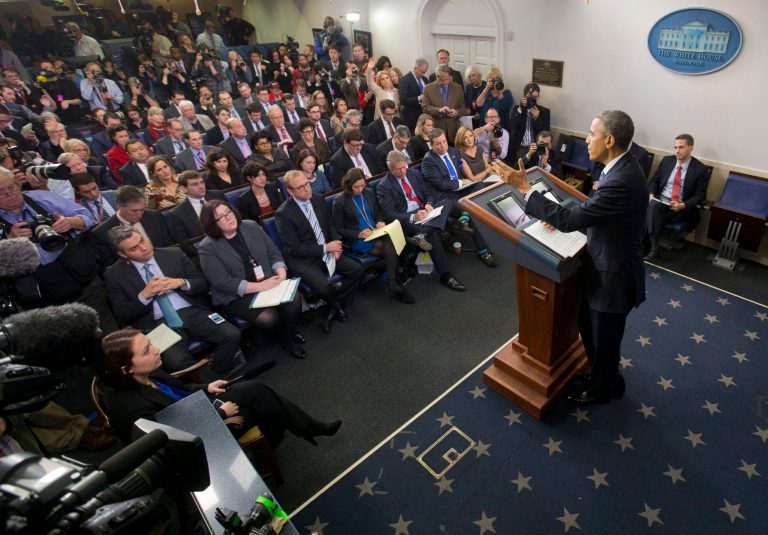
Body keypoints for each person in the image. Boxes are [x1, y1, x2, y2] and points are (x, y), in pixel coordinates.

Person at [492, 109, 648, 405]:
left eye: (592, 134)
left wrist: (524, 188)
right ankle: (604, 377)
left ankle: (603, 390)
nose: (587, 140)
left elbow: (573, 217)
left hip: (614, 276)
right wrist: (575, 215)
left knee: (605, 340)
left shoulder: (620, 179)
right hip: (604, 264)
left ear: (610, 140)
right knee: (590, 327)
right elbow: (595, 208)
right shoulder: (622, 165)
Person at [99, 328, 341, 445]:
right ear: (126, 369)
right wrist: (221, 415)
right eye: (146, 350)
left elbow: (179, 391)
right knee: (260, 402)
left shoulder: (146, 371)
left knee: (256, 388)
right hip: (199, 435)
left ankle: (304, 428)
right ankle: (287, 433)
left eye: (150, 343)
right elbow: (172, 439)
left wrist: (206, 387)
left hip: (200, 407)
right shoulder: (131, 409)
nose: (156, 349)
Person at [104, 227, 245, 375]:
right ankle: (212, 384)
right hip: (158, 325)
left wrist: (181, 283)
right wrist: (144, 296)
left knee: (231, 334)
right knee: (175, 361)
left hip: (192, 311)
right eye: (134, 248)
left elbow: (203, 282)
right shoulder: (114, 275)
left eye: (142, 240)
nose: (144, 248)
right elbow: (122, 314)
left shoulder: (173, 254)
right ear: (122, 254)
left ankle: (215, 376)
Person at [0, 168, 117, 331]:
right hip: (44, 299)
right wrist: (10, 241)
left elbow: (86, 217)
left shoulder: (41, 198)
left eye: (11, 188)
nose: (9, 194)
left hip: (81, 279)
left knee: (106, 330)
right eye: (1, 192)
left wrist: (70, 222)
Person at [198, 200, 307, 359]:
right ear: (211, 223)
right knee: (268, 318)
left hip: (268, 280)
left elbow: (273, 252)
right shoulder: (207, 247)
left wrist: (281, 274)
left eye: (228, 212)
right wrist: (260, 287)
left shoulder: (251, 226)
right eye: (221, 217)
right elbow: (222, 282)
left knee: (295, 299)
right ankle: (285, 339)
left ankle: (287, 332)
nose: (229, 217)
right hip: (237, 294)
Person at [275, 170, 364, 333]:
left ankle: (336, 305)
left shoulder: (318, 199)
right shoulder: (283, 214)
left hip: (327, 250)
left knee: (356, 269)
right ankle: (336, 307)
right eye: (300, 187)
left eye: (307, 184)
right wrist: (325, 248)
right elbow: (294, 248)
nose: (306, 189)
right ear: (290, 191)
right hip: (302, 259)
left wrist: (336, 244)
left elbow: (330, 225)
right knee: (323, 287)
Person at [377, 151, 466, 291]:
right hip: (407, 220)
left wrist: (429, 203)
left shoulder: (413, 173)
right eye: (398, 169)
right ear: (390, 170)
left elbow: (426, 193)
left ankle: (424, 233)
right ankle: (445, 275)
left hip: (424, 212)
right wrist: (414, 216)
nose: (402, 171)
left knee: (448, 202)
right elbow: (390, 215)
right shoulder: (384, 186)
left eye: (404, 167)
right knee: (434, 234)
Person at [332, 169, 415, 303]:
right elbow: (338, 228)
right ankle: (395, 284)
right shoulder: (340, 201)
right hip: (359, 239)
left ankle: (391, 281)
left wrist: (379, 221)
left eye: (362, 185)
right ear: (348, 185)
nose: (360, 189)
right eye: (356, 187)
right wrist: (358, 234)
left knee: (392, 243)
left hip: (376, 231)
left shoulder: (369, 193)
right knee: (392, 247)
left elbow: (377, 213)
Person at [421, 128, 498, 268]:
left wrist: (465, 181)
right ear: (431, 145)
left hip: (460, 191)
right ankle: (484, 250)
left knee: (479, 186)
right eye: (438, 144)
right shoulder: (428, 161)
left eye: (444, 141)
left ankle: (464, 218)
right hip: (446, 196)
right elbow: (441, 184)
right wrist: (461, 182)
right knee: (472, 209)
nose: (443, 146)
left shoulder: (453, 152)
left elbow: (459, 170)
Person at [645, 134, 710, 261]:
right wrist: (651, 194)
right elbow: (654, 181)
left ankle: (650, 247)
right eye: (675, 147)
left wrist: (683, 205)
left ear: (690, 148)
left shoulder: (700, 169)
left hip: (682, 208)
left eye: (681, 147)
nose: (677, 151)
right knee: (653, 206)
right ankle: (653, 248)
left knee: (651, 212)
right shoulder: (667, 161)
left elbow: (700, 196)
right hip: (661, 201)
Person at [92, 185, 174, 267]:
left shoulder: (154, 216)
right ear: (119, 206)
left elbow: (169, 245)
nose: (139, 214)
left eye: (142, 209)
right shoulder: (102, 232)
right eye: (134, 211)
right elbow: (111, 266)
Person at [166, 170, 226, 256]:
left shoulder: (218, 195)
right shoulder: (177, 214)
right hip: (207, 253)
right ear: (183, 189)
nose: (201, 186)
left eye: (202, 182)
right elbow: (186, 245)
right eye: (195, 184)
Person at [421, 64, 468, 145]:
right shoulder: (428, 89)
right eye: (442, 80)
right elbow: (425, 108)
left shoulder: (458, 88)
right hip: (437, 130)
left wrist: (456, 112)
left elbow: (463, 108)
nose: (446, 82)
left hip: (454, 131)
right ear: (437, 77)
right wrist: (439, 110)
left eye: (447, 79)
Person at [509, 82, 551, 160]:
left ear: (538, 97)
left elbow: (546, 133)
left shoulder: (545, 111)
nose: (532, 99)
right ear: (524, 97)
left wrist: (537, 118)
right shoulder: (517, 109)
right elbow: (512, 125)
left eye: (535, 97)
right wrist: (521, 108)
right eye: (530, 97)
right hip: (519, 148)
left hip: (536, 149)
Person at [475, 67, 514, 132]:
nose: (495, 82)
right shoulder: (485, 93)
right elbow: (478, 104)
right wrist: (487, 88)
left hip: (500, 130)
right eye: (492, 80)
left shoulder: (507, 94)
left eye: (497, 79)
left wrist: (499, 90)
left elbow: (505, 107)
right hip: (485, 129)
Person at [399, 58, 430, 132]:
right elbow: (403, 99)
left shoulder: (425, 79)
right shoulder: (405, 80)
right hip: (412, 118)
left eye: (425, 72)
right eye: (422, 72)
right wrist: (419, 98)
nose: (423, 74)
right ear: (415, 68)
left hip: (425, 117)